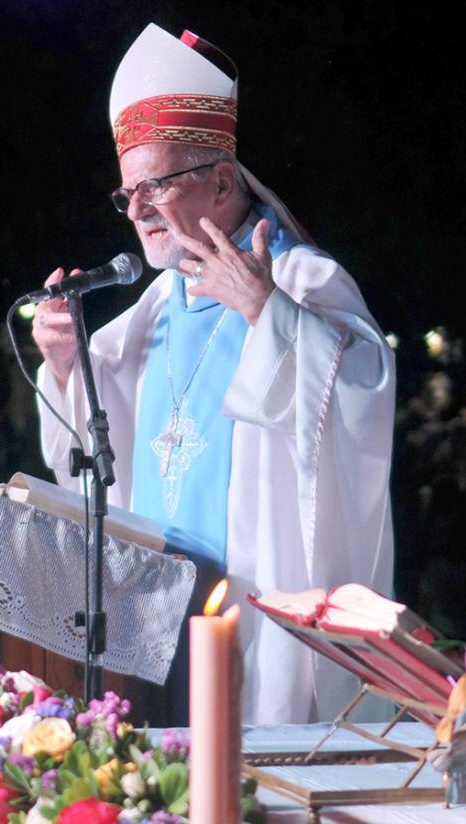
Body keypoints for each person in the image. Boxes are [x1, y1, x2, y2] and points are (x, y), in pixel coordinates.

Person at [31, 24, 395, 724]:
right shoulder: (155, 304)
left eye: (155, 187)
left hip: (255, 619)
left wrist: (268, 313)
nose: (135, 212)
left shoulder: (301, 280)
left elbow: (365, 396)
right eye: (126, 194)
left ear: (223, 180)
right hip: (153, 622)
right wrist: (65, 363)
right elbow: (92, 458)